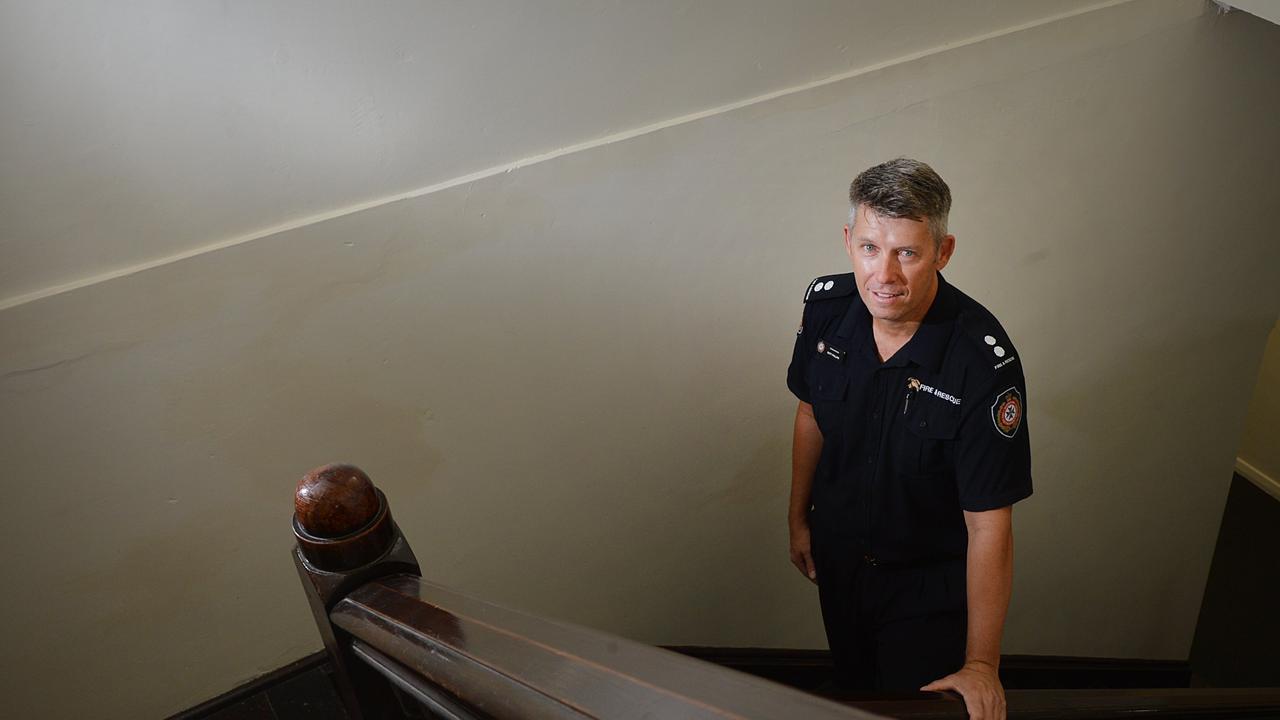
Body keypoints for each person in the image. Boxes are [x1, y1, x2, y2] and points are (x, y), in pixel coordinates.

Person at [786, 158, 1032, 720]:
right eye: (871, 247)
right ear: (849, 242)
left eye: (908, 252)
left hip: (925, 588)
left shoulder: (981, 362)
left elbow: (989, 522)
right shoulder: (826, 311)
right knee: (851, 692)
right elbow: (809, 415)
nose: (885, 276)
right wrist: (798, 519)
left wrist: (982, 664)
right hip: (839, 562)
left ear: (943, 253)